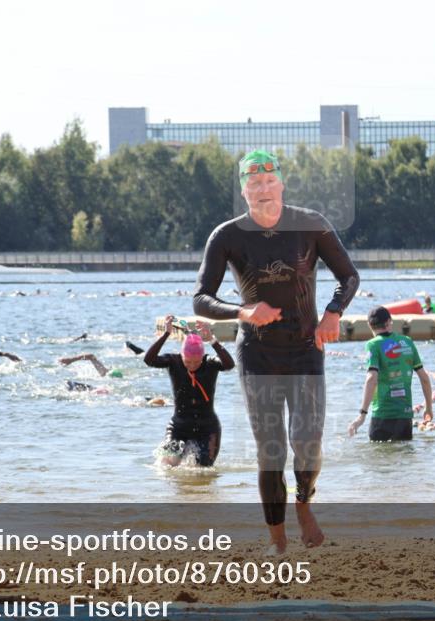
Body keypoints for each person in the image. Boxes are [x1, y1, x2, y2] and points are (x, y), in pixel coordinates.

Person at [193, 149, 360, 553]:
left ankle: (303, 503)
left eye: (270, 181)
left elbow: (349, 276)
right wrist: (242, 311)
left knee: (308, 443)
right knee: (271, 451)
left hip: (305, 349)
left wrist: (333, 313)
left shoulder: (310, 225)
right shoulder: (227, 236)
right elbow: (201, 299)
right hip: (257, 354)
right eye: (254, 183)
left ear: (282, 184)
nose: (263, 189)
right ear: (244, 192)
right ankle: (278, 540)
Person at [144, 316, 234, 467]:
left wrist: (212, 340)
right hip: (179, 426)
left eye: (196, 362)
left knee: (202, 469)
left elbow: (229, 364)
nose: (192, 365)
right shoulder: (173, 361)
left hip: (207, 428)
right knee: (165, 463)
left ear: (202, 357)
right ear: (182, 356)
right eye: (188, 361)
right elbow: (149, 360)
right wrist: (166, 334)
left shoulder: (210, 363)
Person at [348, 307, 433, 441]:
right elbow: (424, 378)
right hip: (405, 417)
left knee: (379, 453)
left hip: (382, 415)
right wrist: (428, 407)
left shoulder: (373, 345)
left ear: (369, 325)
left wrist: (362, 415)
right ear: (389, 321)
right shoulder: (407, 342)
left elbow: (371, 379)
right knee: (404, 452)